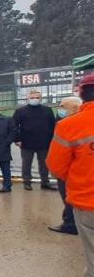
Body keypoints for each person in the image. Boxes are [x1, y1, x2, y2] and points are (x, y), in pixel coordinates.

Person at [46, 72, 94, 277]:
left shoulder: (71, 125)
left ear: (82, 94)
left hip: (88, 201)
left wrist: (76, 177)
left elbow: (56, 165)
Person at [48, 96, 83, 235]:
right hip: (78, 169)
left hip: (69, 170)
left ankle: (70, 224)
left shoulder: (68, 124)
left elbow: (59, 154)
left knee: (69, 198)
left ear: (75, 108)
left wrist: (56, 172)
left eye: (63, 106)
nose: (59, 109)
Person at [13, 89, 57, 191]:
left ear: (41, 98)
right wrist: (17, 139)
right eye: (32, 98)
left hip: (44, 142)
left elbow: (53, 126)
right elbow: (14, 126)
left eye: (37, 97)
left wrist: (53, 140)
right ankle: (27, 182)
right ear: (27, 99)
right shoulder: (20, 111)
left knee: (44, 164)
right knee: (26, 163)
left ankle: (45, 182)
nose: (34, 99)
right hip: (26, 142)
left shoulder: (47, 110)